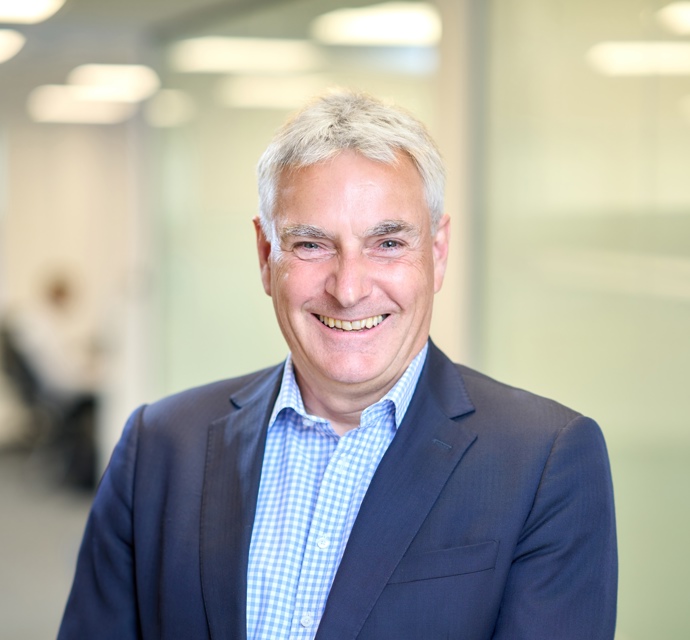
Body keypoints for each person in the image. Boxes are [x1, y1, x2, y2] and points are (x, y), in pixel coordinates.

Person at [58, 90, 617, 639]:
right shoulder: (159, 446)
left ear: (438, 252)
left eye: (389, 243)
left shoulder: (545, 461)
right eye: (310, 245)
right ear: (265, 255)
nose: (348, 289)